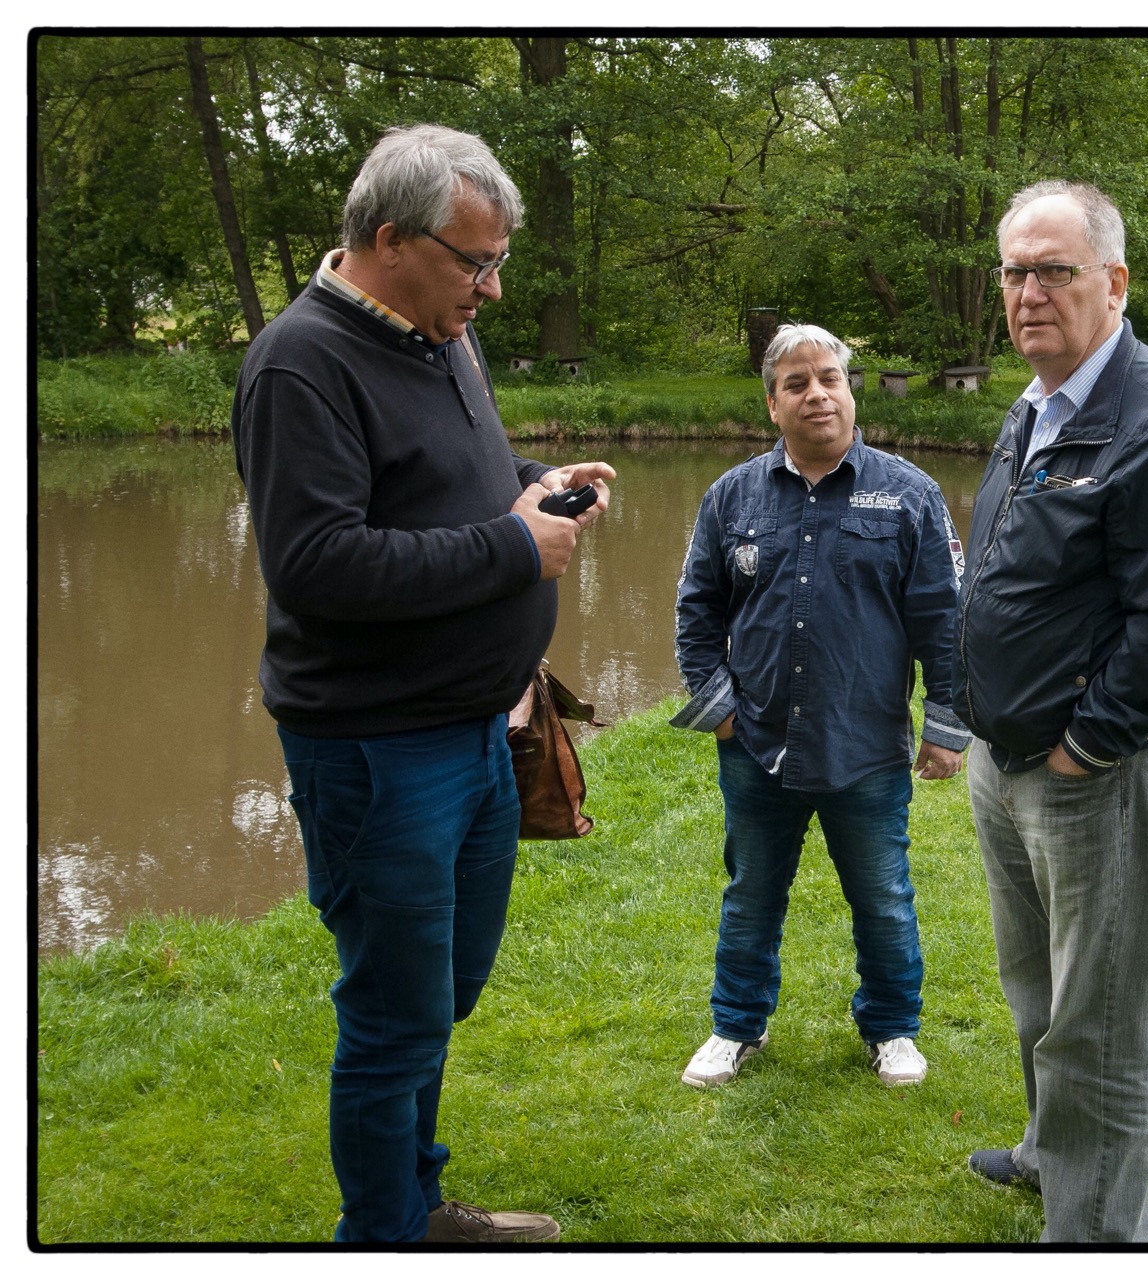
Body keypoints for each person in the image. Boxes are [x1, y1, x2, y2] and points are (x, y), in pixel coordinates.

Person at [233, 124, 615, 1244]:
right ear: (390, 238)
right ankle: (387, 1233)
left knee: (441, 990)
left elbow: (450, 484)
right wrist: (512, 548)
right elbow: (317, 564)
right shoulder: (300, 361)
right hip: (378, 748)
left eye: (498, 263)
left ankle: (418, 1202)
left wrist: (537, 485)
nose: (491, 288)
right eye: (473, 261)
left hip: (481, 733)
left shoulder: (436, 328)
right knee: (394, 1012)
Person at [955, 181, 1148, 1241]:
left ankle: (1097, 1231)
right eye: (1014, 272)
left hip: (1094, 772)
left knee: (1102, 1019)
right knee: (1037, 990)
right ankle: (1047, 1151)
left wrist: (1086, 743)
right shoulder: (1037, 398)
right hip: (1006, 755)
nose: (1028, 292)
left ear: (1112, 283)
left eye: (1053, 271)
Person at [669, 323, 969, 1090]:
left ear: (849, 388)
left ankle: (892, 1028)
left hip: (864, 745)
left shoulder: (909, 494)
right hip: (755, 742)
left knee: (884, 899)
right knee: (750, 896)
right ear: (773, 405)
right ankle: (737, 1026)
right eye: (796, 383)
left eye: (829, 378)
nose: (817, 394)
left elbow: (944, 618)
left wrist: (945, 725)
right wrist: (720, 709)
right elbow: (696, 610)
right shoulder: (730, 495)